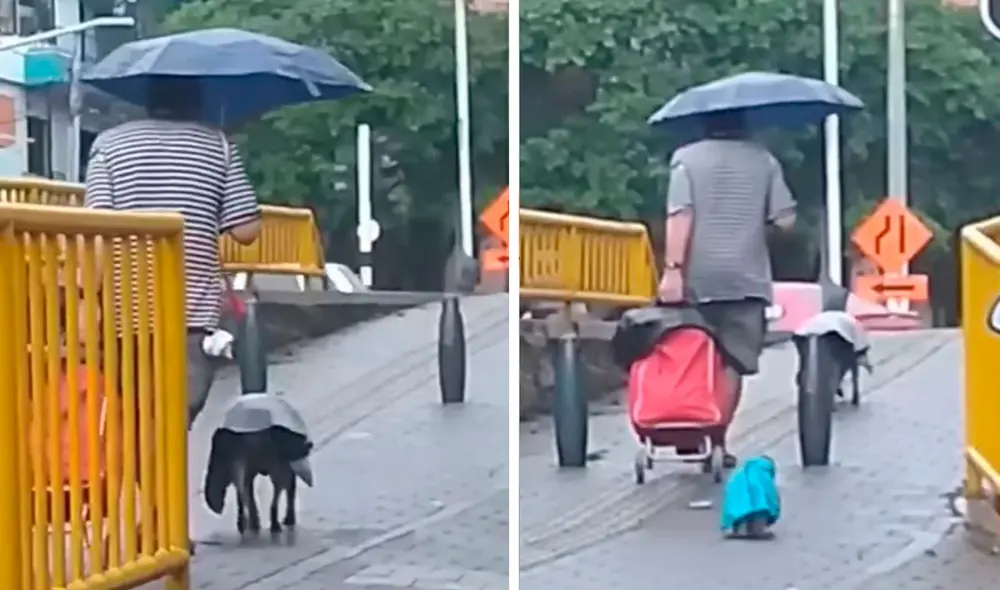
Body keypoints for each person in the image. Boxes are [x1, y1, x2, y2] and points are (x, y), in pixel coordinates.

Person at [84, 78, 262, 429]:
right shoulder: (217, 145)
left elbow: (96, 226)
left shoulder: (109, 144)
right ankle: (163, 479)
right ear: (197, 99)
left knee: (131, 414)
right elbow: (246, 231)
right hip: (191, 311)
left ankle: (139, 478)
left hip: (125, 309)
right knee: (175, 418)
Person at [659, 111, 796, 466]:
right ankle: (717, 438)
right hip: (746, 279)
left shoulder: (685, 160)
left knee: (692, 353)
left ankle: (689, 428)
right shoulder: (765, 160)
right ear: (745, 124)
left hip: (696, 279)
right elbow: (785, 221)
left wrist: (672, 271)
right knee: (733, 362)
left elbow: (680, 215)